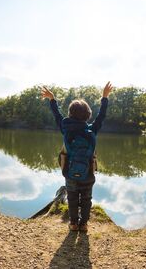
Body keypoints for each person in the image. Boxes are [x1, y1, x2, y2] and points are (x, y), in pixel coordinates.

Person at [41, 82, 113, 232]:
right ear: (88, 114)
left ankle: (73, 224)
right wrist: (104, 97)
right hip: (88, 173)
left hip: (70, 173)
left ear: (70, 114)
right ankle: (84, 224)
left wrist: (52, 99)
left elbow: (57, 114)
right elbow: (102, 116)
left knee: (72, 199)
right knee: (86, 200)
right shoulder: (92, 130)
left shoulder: (66, 128)